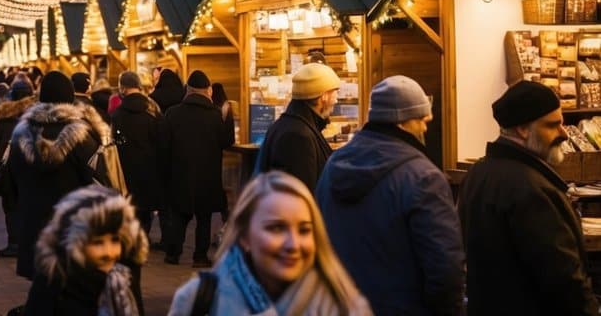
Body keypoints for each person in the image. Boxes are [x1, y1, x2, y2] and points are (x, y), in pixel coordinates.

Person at [315, 75, 463, 315]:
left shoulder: (333, 166)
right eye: (422, 121)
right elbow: (445, 269)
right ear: (401, 123)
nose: (425, 129)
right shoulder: (424, 178)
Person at [459, 80, 598, 315]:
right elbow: (562, 278)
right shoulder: (530, 189)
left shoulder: (479, 173)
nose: (563, 134)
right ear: (523, 129)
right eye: (553, 125)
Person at [168, 171, 371, 316]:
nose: (293, 244)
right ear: (245, 236)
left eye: (304, 230)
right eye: (276, 228)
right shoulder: (200, 299)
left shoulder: (344, 304)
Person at [6, 70, 111, 279]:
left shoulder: (21, 134)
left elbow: (11, 181)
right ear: (70, 97)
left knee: (41, 284)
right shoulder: (82, 136)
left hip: (33, 222)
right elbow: (97, 182)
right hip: (72, 225)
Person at [24, 185, 146, 316]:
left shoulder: (124, 277)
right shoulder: (52, 285)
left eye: (115, 240)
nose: (109, 252)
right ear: (75, 244)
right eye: (97, 242)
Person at [161, 70, 233, 267]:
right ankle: (200, 257)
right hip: (207, 174)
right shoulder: (216, 115)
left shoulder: (173, 113)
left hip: (179, 172)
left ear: (188, 90)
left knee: (179, 215)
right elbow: (227, 141)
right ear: (208, 90)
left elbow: (164, 144)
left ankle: (173, 253)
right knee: (204, 217)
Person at [255, 62, 340, 191]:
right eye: (335, 92)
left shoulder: (288, 125)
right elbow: (300, 194)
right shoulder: (298, 136)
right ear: (323, 95)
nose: (337, 99)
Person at [108, 70, 164, 244]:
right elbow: (161, 137)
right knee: (146, 205)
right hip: (150, 164)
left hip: (126, 166)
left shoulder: (117, 114)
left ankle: (132, 237)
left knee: (131, 204)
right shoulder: (152, 109)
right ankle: (143, 235)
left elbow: (115, 140)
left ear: (123, 88)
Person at [0, 79, 36, 259]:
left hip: (9, 167)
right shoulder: (38, 116)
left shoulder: (4, 117)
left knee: (11, 205)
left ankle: (14, 243)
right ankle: (29, 241)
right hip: (31, 164)